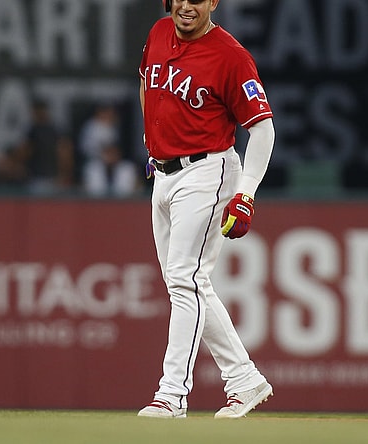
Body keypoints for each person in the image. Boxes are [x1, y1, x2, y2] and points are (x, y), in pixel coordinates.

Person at [136, 0, 275, 419]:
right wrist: (153, 139)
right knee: (187, 282)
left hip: (207, 170)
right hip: (163, 172)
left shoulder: (230, 55)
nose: (185, 5)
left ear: (213, 2)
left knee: (184, 279)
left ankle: (172, 395)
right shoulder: (159, 32)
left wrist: (245, 193)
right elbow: (146, 83)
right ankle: (245, 379)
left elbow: (262, 128)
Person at [13, 99, 74, 194]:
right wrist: (65, 174)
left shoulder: (36, 130)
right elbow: (65, 154)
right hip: (47, 177)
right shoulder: (54, 128)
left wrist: (64, 174)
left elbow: (24, 151)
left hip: (41, 178)